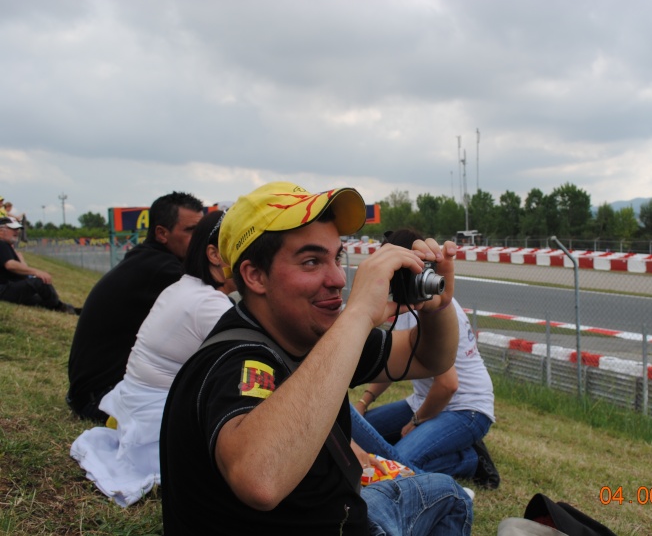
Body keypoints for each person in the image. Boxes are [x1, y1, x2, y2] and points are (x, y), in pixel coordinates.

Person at [160, 181, 472, 535]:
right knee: (448, 494)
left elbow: (431, 358)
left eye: (336, 257)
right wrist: (356, 316)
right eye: (311, 262)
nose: (338, 278)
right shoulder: (234, 359)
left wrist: (436, 307)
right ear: (254, 275)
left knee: (448, 493)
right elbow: (260, 479)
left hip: (341, 513)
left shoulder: (311, 335)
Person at [70, 210, 236, 506]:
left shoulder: (185, 286)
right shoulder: (209, 304)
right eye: (245, 248)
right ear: (214, 254)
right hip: (156, 421)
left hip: (138, 407)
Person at [354, 228, 500, 489]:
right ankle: (448, 449)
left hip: (465, 408)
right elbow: (392, 361)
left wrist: (416, 421)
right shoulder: (409, 303)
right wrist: (364, 403)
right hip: (424, 401)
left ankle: (469, 459)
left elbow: (448, 385)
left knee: (394, 463)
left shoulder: (429, 308)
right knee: (356, 434)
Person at [66, 191, 204, 422]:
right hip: (101, 398)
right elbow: (217, 309)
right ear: (162, 233)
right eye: (191, 231)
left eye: (201, 231)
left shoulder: (149, 260)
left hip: (96, 392)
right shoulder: (162, 270)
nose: (201, 239)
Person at [0, 216, 78, 314]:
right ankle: (60, 307)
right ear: (1, 231)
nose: (17, 232)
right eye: (13, 229)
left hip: (8, 288)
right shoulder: (1, 244)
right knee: (40, 282)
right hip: (3, 289)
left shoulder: (6, 246)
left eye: (17, 229)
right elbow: (10, 265)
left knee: (39, 300)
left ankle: (72, 310)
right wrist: (36, 272)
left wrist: (20, 259)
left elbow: (22, 271)